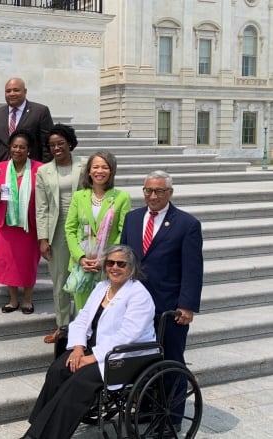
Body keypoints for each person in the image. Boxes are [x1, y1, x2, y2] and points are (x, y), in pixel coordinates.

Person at [22, 245, 155, 439]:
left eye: (121, 264)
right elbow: (83, 318)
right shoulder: (102, 287)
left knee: (78, 382)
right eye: (110, 263)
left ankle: (41, 436)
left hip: (123, 355)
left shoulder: (139, 295)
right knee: (58, 370)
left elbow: (127, 336)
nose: (114, 267)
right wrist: (77, 348)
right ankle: (39, 426)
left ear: (131, 268)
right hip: (94, 345)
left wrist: (91, 358)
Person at [121, 170, 203, 428]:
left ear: (170, 193)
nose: (152, 196)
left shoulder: (187, 224)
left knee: (171, 361)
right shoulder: (132, 218)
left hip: (169, 306)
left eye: (159, 191)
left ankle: (172, 418)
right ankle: (146, 408)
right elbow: (125, 260)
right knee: (142, 360)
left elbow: (193, 268)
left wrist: (187, 305)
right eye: (148, 190)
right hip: (136, 306)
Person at [0, 77, 54, 262]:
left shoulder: (39, 111)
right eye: (8, 91)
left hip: (28, 173)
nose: (12, 94)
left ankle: (31, 249)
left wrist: (45, 171)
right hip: (2, 174)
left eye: (16, 90)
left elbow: (46, 145)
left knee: (28, 211)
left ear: (25, 91)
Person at [35, 124, 84, 343]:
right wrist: (43, 238)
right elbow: (41, 207)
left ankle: (85, 326)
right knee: (60, 280)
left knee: (85, 279)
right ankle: (62, 326)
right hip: (57, 230)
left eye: (60, 143)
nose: (56, 148)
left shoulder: (85, 166)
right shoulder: (43, 171)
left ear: (70, 143)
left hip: (84, 229)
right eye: (52, 145)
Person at [65, 150, 131, 313]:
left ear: (112, 171)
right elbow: (70, 229)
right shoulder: (79, 196)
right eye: (95, 167)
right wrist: (79, 257)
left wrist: (106, 258)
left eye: (104, 167)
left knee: (106, 311)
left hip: (108, 266)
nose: (99, 171)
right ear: (89, 171)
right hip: (83, 265)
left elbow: (123, 232)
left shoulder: (122, 197)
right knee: (83, 310)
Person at [0, 131, 43, 314]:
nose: (17, 150)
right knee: (9, 263)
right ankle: (12, 300)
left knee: (28, 262)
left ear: (28, 150)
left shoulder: (39, 169)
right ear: (9, 148)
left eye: (22, 147)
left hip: (29, 226)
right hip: (6, 225)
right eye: (14, 146)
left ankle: (27, 299)